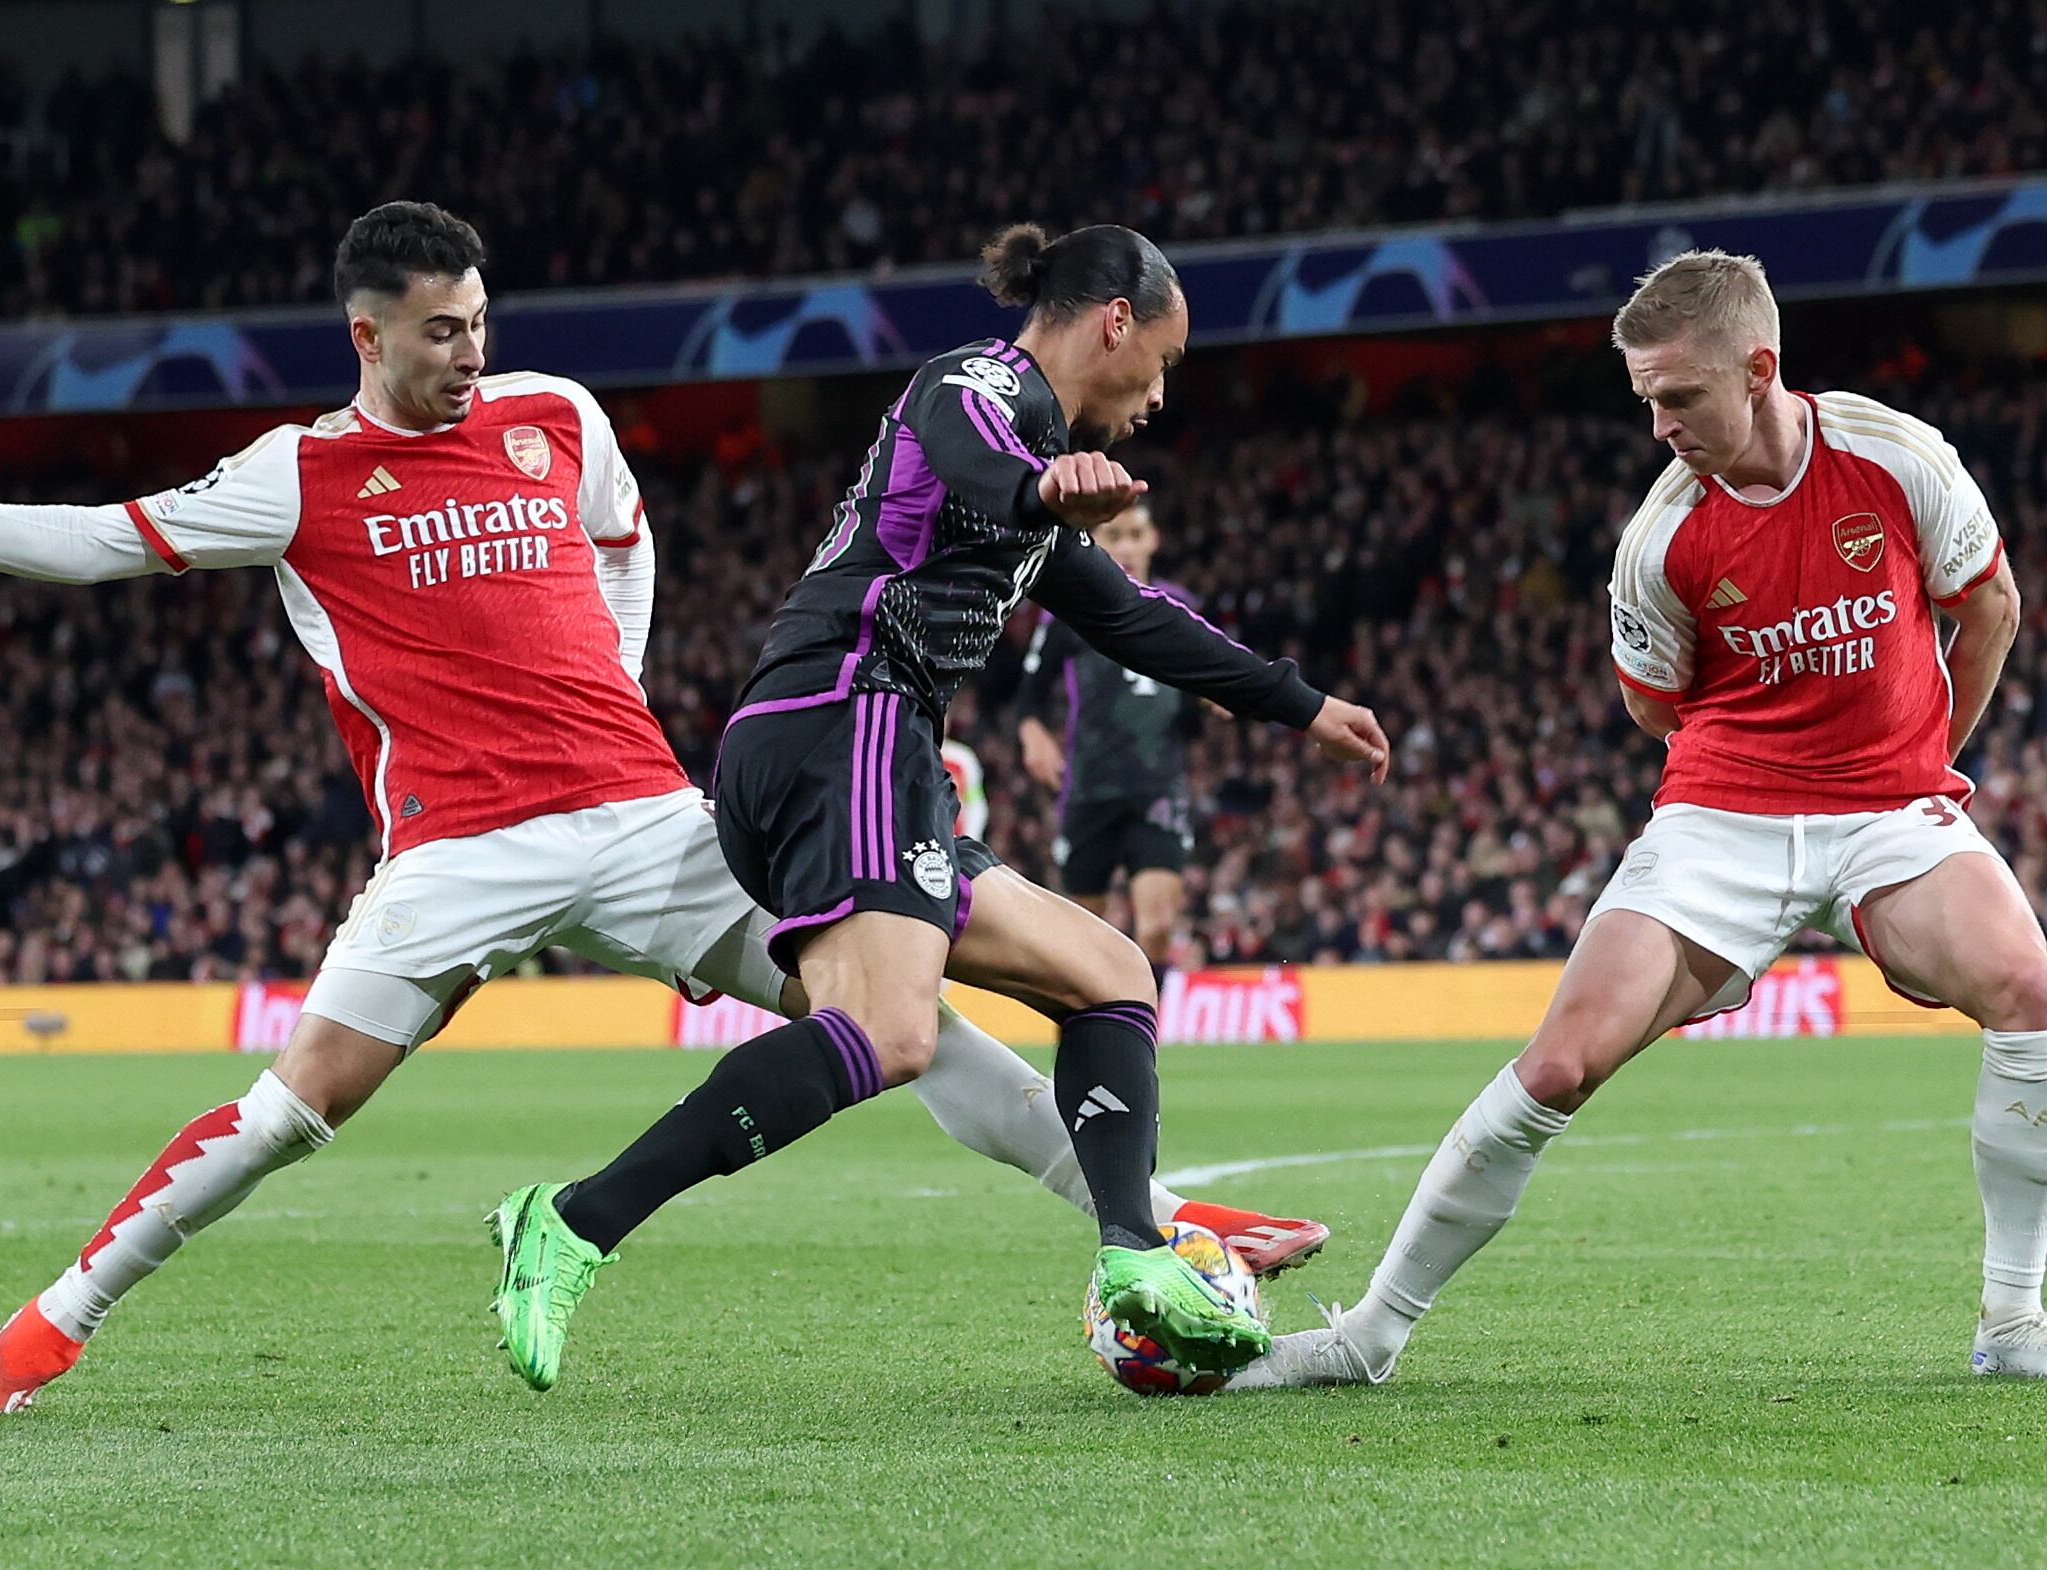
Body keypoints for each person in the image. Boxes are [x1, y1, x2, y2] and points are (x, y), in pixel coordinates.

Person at [0, 200, 1316, 1416]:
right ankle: (58, 1316)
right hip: (455, 852)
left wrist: (613, 683)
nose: (467, 353)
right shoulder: (297, 476)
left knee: (898, 1022)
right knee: (290, 1112)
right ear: (367, 333)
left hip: (646, 820)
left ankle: (1146, 1216)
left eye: (479, 324)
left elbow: (623, 543)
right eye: (439, 332)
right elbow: (96, 540)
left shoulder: (554, 416)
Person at [490, 223, 1388, 1390]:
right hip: (843, 717)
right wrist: (1041, 486)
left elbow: (1133, 620)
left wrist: (1302, 705)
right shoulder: (977, 387)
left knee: (1109, 973)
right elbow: (970, 455)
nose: (1161, 393)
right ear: (1114, 319)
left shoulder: (1032, 475)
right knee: (892, 1032)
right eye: (1162, 361)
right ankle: (574, 1220)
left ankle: (1135, 1253)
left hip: (854, 744)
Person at [1232, 250, 2047, 1391]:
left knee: (2027, 986)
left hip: (1886, 806)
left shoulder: (1896, 458)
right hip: (1723, 816)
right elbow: (1655, 707)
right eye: (1646, 399)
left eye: (1679, 396)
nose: (1659, 425)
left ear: (1758, 369)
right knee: (1559, 1065)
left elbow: (1989, 606)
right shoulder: (1659, 537)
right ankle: (1366, 1336)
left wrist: (1924, 765)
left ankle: (2014, 1322)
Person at [1015, 498, 1196, 983]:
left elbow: (1207, 685)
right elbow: (1029, 696)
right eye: (1114, 536)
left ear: (1153, 540)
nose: (1127, 548)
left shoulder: (1182, 607)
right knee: (1084, 934)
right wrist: (1033, 734)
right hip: (1090, 786)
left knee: (1158, 926)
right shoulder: (1069, 611)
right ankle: (1087, 1025)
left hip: (1159, 787)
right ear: (1095, 541)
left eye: (1136, 535)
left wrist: (1216, 702)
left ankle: (1144, 1024)